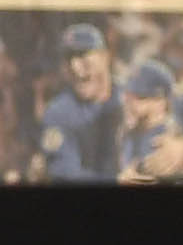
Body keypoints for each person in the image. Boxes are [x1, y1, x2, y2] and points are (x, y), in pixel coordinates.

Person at [34, 23, 119, 184]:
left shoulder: (128, 95)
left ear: (105, 57)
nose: (74, 66)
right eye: (68, 58)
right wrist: (118, 181)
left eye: (82, 54)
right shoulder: (58, 112)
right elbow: (65, 174)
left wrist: (181, 144)